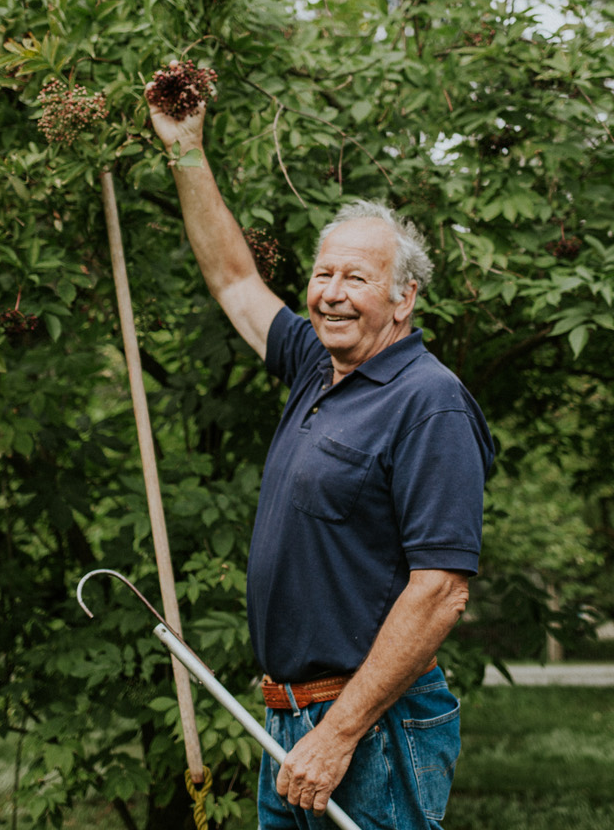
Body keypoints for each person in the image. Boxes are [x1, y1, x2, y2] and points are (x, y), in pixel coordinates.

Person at [151, 98, 494, 830]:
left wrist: (339, 732)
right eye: (322, 274)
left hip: (371, 727)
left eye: (356, 280)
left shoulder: (429, 402)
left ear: (403, 300)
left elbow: (440, 591)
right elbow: (235, 282)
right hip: (288, 719)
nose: (331, 294)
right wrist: (186, 149)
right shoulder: (318, 364)